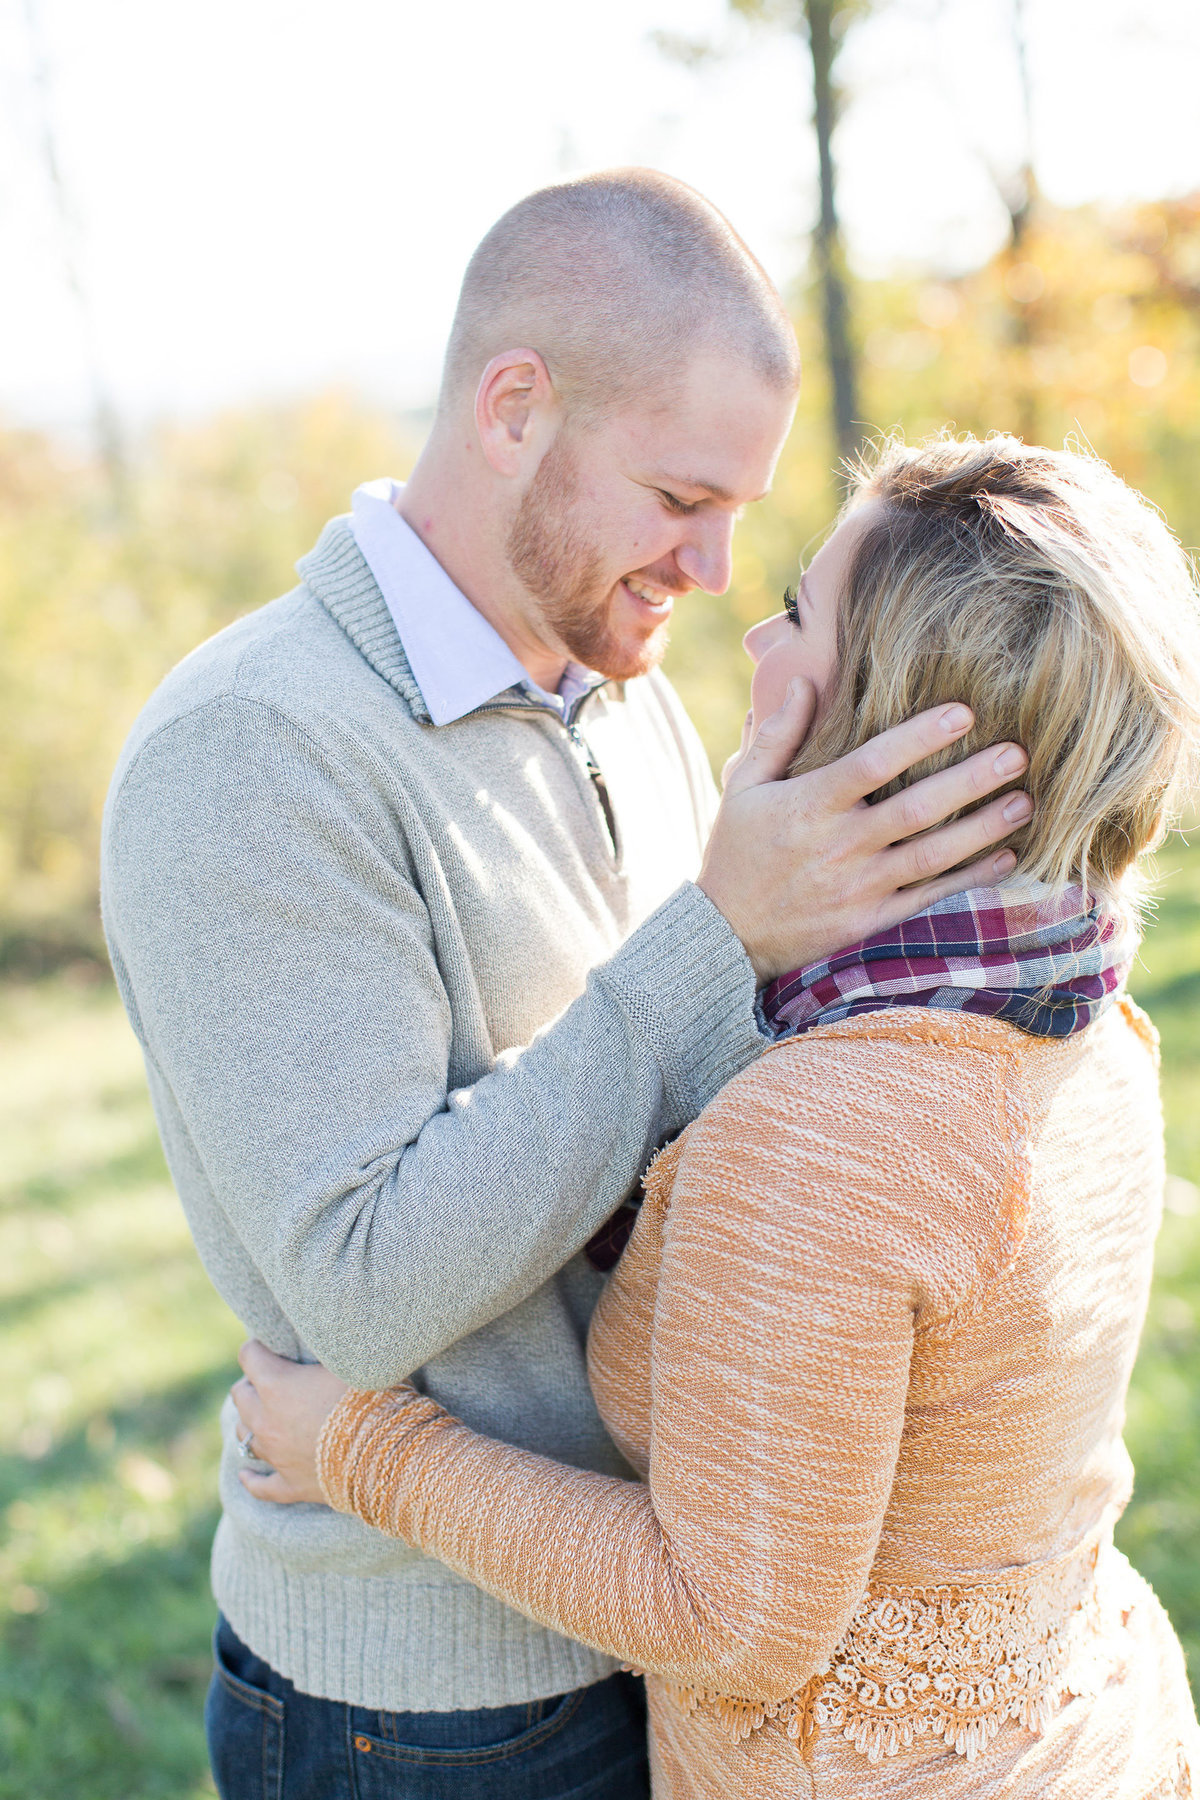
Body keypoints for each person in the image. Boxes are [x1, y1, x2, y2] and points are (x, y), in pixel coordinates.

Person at [101, 170, 1028, 1800]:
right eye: (683, 496)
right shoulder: (254, 748)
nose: (719, 564)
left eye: (740, 509)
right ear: (515, 408)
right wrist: (720, 940)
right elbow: (364, 1284)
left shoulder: (621, 691)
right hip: (430, 1710)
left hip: (668, 1624)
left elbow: (689, 1119)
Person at [233, 433, 1200, 1800]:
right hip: (1091, 1733)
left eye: (804, 612)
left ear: (900, 724)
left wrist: (358, 1447)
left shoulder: (826, 1137)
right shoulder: (1087, 1018)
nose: (754, 633)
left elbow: (731, 1623)